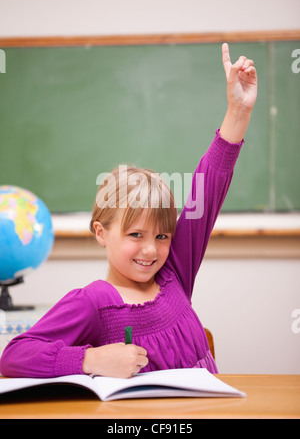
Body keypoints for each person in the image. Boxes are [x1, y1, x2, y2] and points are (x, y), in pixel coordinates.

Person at [0, 44, 257, 378]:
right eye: (136, 235)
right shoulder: (92, 302)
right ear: (101, 233)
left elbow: (208, 186)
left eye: (162, 236)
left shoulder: (174, 272)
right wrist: (88, 360)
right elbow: (14, 356)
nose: (151, 249)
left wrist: (238, 110)